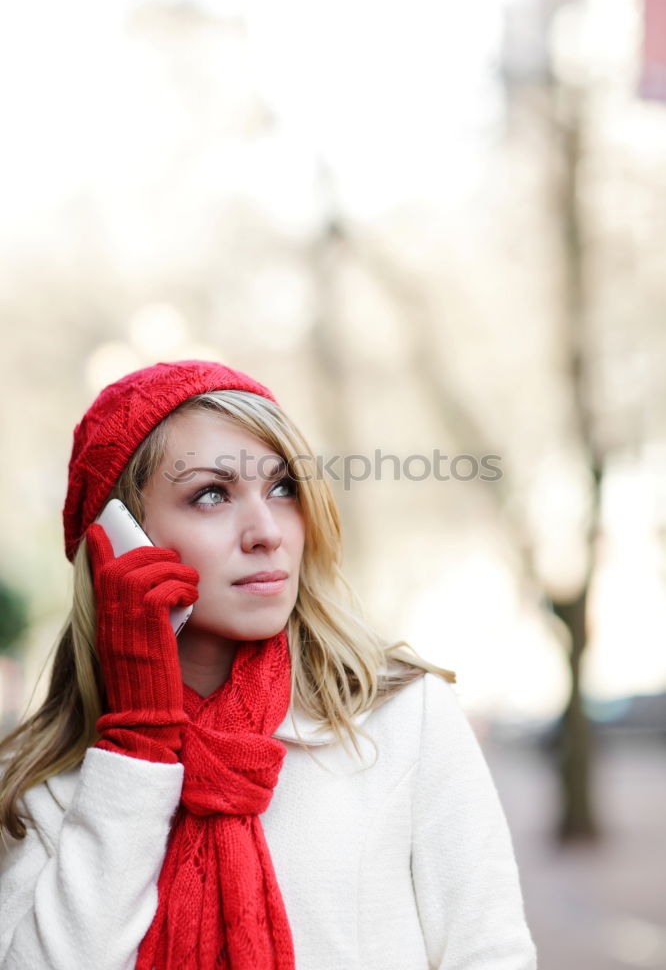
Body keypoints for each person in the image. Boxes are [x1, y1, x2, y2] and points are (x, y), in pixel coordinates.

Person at [0, 359, 537, 970]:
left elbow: (489, 953)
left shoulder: (400, 718)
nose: (267, 532)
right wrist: (139, 747)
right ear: (118, 544)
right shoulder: (40, 783)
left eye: (282, 487)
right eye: (211, 494)